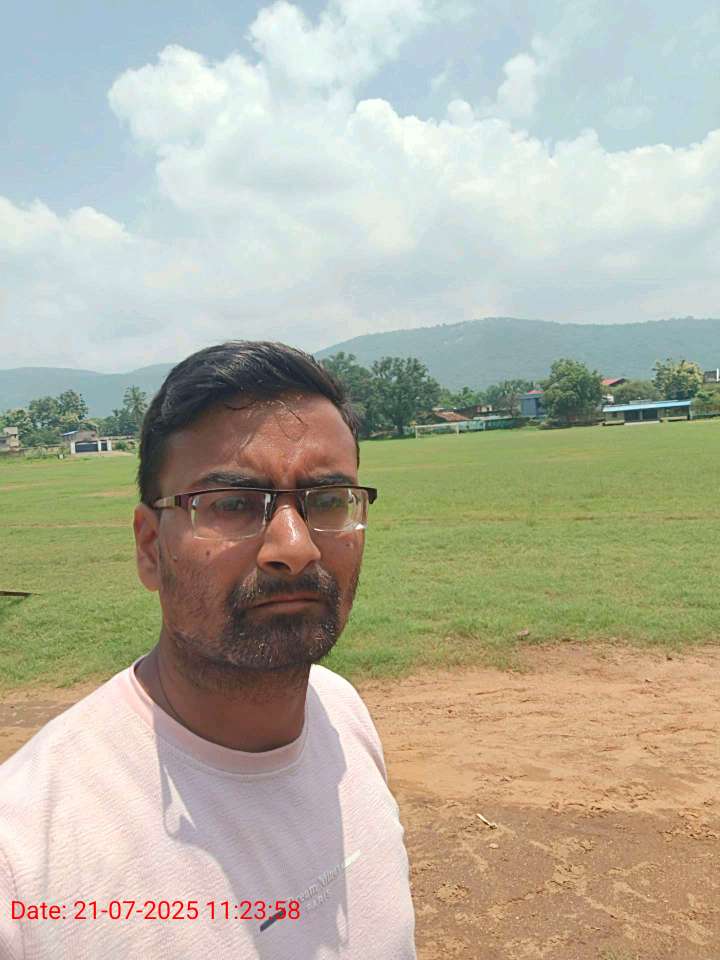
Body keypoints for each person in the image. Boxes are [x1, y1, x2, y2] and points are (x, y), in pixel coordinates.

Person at [0, 341, 416, 959]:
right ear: (150, 548)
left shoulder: (342, 714)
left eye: (329, 500)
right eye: (231, 504)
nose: (295, 547)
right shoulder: (25, 858)